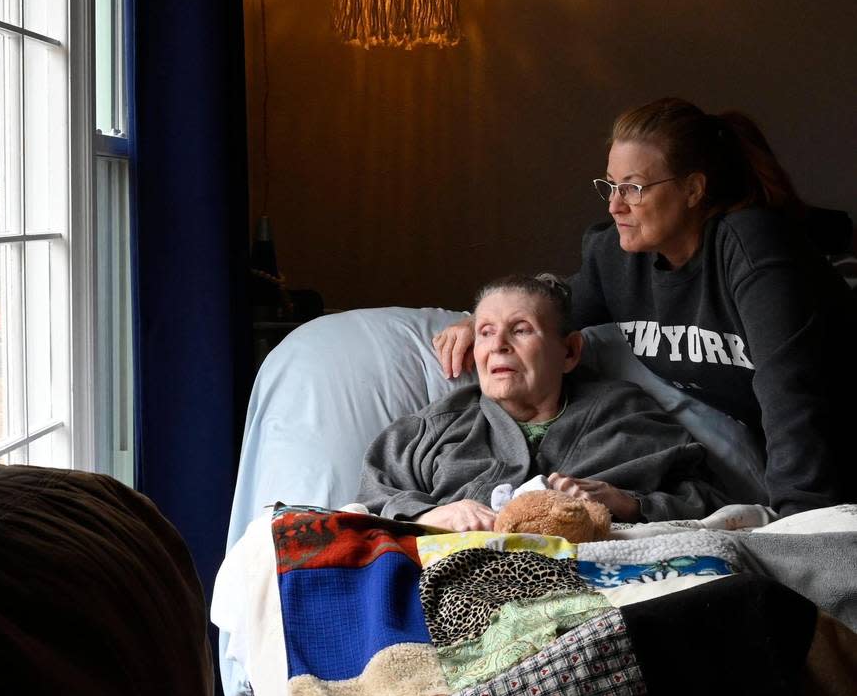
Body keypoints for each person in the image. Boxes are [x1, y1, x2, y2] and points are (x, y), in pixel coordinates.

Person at [432, 98, 857, 518]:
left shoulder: (751, 247)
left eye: (633, 187)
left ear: (693, 188)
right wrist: (480, 323)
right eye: (610, 186)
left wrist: (802, 525)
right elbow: (551, 308)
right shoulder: (616, 260)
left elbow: (793, 395)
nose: (615, 205)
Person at [358, 275, 733, 532]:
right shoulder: (437, 426)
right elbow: (369, 502)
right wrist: (435, 513)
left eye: (520, 329)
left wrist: (627, 504)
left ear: (569, 352)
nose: (499, 344)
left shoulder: (622, 411)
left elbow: (713, 503)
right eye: (486, 332)